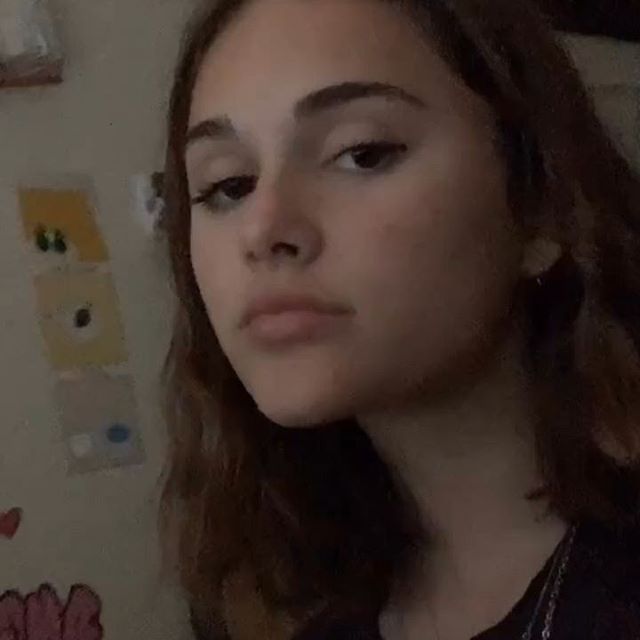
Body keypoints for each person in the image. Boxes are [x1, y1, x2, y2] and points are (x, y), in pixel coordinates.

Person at [158, 0, 640, 638]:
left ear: (541, 206)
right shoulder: (293, 614)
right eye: (228, 186)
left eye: (361, 153)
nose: (263, 229)